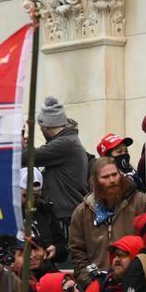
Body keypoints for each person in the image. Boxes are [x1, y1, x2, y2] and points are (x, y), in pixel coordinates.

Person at [70, 157, 146, 286]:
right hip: (99, 285)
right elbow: (77, 252)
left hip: (137, 284)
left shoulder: (142, 203)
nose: (112, 180)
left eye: (115, 174)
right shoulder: (82, 213)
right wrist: (90, 282)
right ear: (94, 182)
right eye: (105, 177)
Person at [28, 96, 89, 231]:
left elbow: (28, 157)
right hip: (67, 213)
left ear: (46, 127)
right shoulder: (69, 141)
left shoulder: (65, 144)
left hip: (66, 216)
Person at [77, 236, 145, 292]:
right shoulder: (99, 286)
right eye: (115, 255)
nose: (117, 259)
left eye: (123, 255)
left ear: (136, 259)